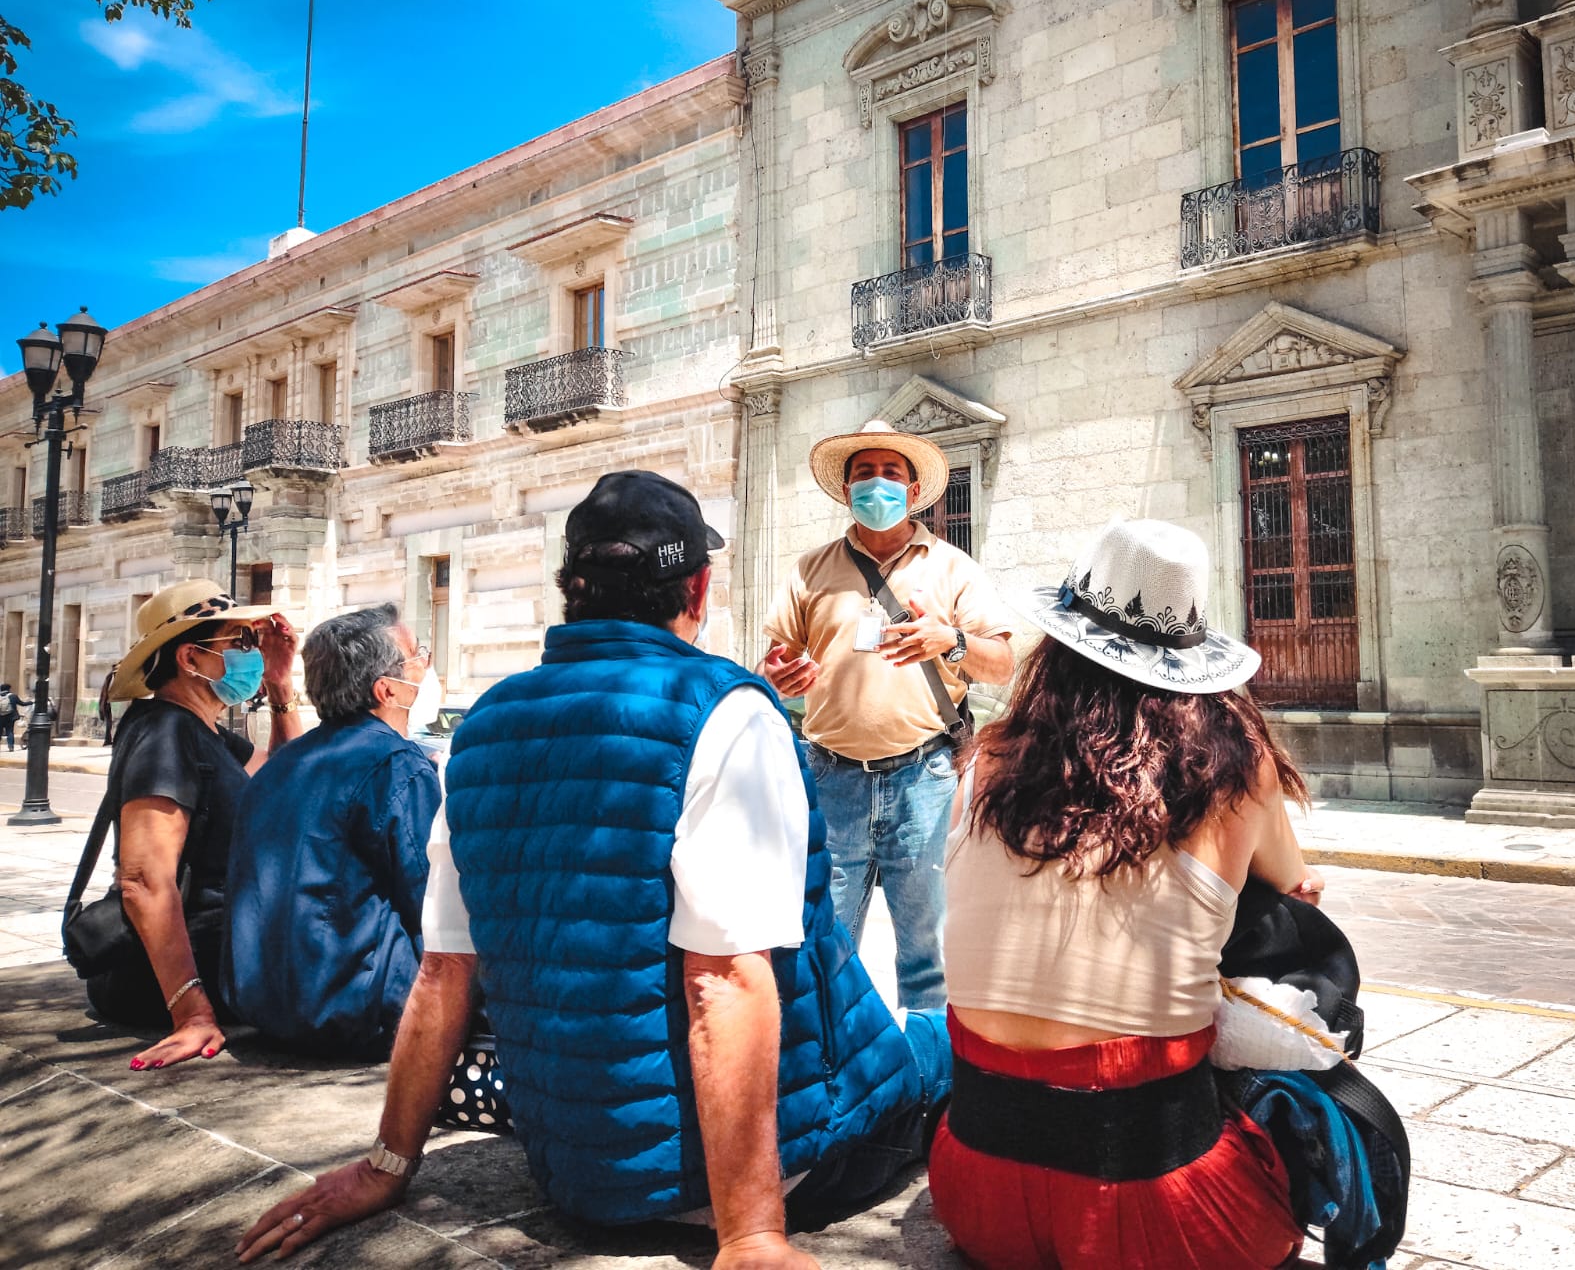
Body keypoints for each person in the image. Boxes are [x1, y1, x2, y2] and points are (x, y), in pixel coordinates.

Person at [237, 471, 950, 1268]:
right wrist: (752, 1235)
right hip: (771, 1169)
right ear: (700, 588)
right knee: (942, 1039)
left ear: (571, 590)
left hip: (575, 1173)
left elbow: (443, 970)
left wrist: (386, 1165)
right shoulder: (726, 709)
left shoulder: (482, 730)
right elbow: (723, 981)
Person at [929, 518, 1323, 1270]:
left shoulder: (984, 759)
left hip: (976, 1194)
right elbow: (1290, 878)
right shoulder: (1237, 770)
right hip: (1158, 1211)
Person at [761, 419, 1013, 1011]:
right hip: (831, 777)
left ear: (913, 487)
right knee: (824, 945)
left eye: (891, 473)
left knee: (930, 953)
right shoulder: (809, 571)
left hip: (924, 779)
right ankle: (833, 1079)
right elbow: (774, 656)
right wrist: (779, 674)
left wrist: (948, 641)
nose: (878, 484)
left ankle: (932, 1089)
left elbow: (1001, 663)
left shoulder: (953, 569)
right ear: (846, 491)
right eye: (864, 474)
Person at [94, 581, 301, 1071]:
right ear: (191, 658)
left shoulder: (202, 730)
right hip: (175, 971)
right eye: (240, 643)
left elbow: (285, 779)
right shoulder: (163, 732)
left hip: (226, 949)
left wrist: (280, 685)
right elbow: (143, 880)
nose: (250, 653)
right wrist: (190, 1011)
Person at [221, 606, 442, 1059]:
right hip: (357, 1010)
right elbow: (430, 901)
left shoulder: (281, 764)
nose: (427, 661)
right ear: (387, 689)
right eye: (418, 654)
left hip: (263, 1004)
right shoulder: (397, 764)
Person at [0, 681, 30, 750]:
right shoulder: (13, 696)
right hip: (10, 717)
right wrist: (30, 702)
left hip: (1, 717)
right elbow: (22, 703)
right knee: (10, 731)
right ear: (9, 689)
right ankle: (11, 746)